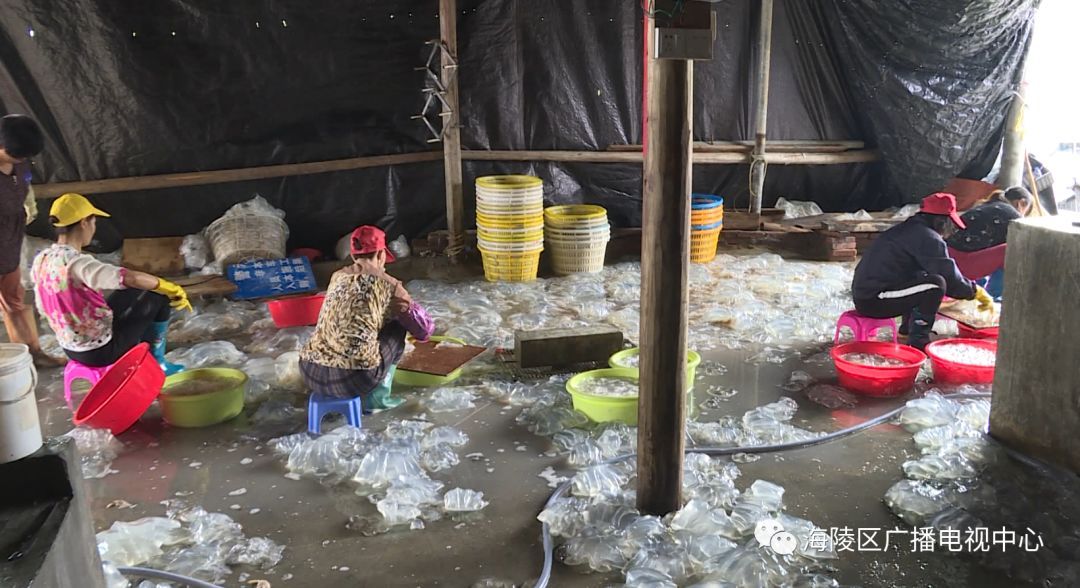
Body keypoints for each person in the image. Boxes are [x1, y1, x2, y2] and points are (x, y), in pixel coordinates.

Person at [32, 193, 192, 374]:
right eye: (93, 222)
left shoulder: (42, 259)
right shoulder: (78, 264)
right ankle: (157, 364)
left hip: (70, 346)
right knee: (158, 296)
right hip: (101, 352)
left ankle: (142, 349)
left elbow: (42, 308)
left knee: (135, 290)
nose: (94, 228)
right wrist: (168, 287)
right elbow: (129, 277)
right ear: (84, 222)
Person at [299, 226, 434, 411]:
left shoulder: (337, 277)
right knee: (397, 326)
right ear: (381, 254)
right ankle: (378, 399)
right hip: (352, 380)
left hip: (310, 373)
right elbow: (423, 331)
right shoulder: (390, 284)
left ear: (354, 256)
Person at [851, 193, 993, 350]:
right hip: (874, 299)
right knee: (935, 285)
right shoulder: (928, 237)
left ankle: (906, 331)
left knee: (921, 278)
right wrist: (974, 291)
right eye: (950, 224)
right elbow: (949, 277)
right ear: (940, 221)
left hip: (866, 294)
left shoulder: (911, 229)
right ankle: (918, 342)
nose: (951, 230)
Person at [0, 114, 66, 366]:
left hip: (9, 238)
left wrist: (28, 204)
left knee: (14, 300)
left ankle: (33, 355)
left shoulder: (19, 164)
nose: (22, 160)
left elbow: (24, 183)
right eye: (17, 155)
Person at [946, 187, 1032, 298]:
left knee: (986, 245)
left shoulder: (987, 205)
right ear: (1021, 203)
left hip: (947, 258)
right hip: (961, 265)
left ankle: (976, 291)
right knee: (1013, 250)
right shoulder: (1012, 215)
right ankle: (993, 297)